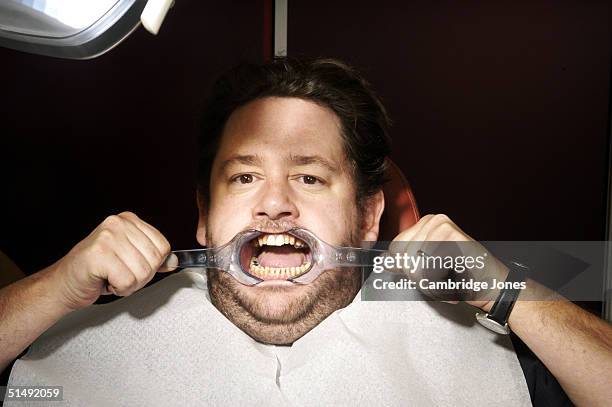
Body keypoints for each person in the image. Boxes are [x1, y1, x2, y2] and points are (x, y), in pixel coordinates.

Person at [1, 58, 610, 406]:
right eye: (243, 177)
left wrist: (506, 292)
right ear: (204, 217)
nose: (274, 205)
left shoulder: (475, 356)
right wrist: (52, 288)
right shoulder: (76, 343)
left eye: (310, 178)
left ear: (369, 218)